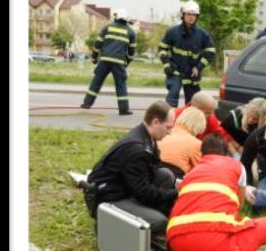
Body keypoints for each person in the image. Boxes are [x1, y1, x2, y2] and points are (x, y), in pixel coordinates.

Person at [166, 134, 266, 251]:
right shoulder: (236, 166)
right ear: (226, 153)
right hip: (212, 243)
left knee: (202, 248)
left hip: (176, 242)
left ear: (203, 154)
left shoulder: (191, 173)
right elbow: (237, 206)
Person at [83, 101, 178, 233]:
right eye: (168, 127)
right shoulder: (137, 150)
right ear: (156, 122)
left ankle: (142, 211)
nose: (170, 132)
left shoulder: (145, 135)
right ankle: (107, 225)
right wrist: (176, 194)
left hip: (124, 186)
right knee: (159, 222)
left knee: (165, 175)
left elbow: (153, 169)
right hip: (109, 197)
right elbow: (144, 193)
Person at [158, 0, 216, 107]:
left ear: (197, 16)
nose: (191, 17)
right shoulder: (172, 32)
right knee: (172, 96)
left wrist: (198, 67)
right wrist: (166, 65)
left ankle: (189, 122)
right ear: (183, 15)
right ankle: (169, 121)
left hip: (191, 74)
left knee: (193, 103)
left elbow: (210, 51)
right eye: (189, 14)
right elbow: (162, 49)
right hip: (175, 71)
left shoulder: (202, 34)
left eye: (194, 14)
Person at [81, 8, 136, 115]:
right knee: (121, 85)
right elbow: (131, 52)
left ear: (116, 17)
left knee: (96, 81)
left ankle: (87, 103)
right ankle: (124, 109)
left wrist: (94, 58)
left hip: (104, 60)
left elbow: (97, 44)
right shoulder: (130, 32)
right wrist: (126, 63)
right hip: (119, 62)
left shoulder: (107, 27)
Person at [174, 91, 240, 155]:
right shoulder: (175, 116)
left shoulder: (210, 118)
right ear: (194, 108)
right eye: (207, 113)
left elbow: (224, 137)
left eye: (212, 112)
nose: (211, 115)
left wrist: (236, 156)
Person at [157, 106, 207, 177]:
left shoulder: (162, 133)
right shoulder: (195, 143)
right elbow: (201, 169)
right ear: (198, 127)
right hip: (175, 178)